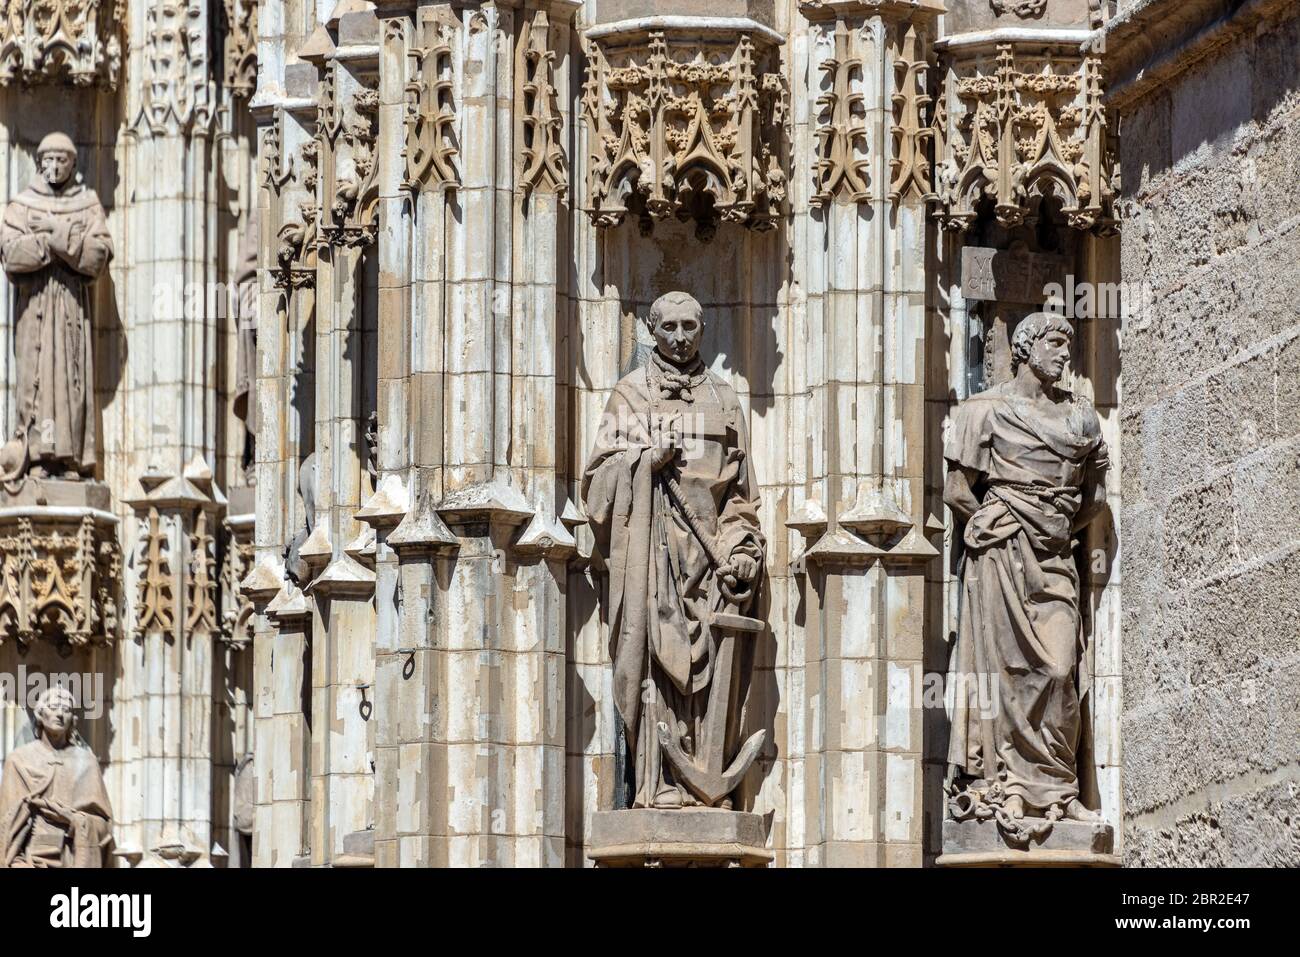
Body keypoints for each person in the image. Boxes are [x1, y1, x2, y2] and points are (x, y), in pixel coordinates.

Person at [582, 291, 764, 809]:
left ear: (703, 329)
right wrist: (642, 461)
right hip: (650, 552)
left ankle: (703, 780)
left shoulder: (724, 399)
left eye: (691, 327)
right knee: (650, 674)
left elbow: (741, 496)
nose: (681, 338)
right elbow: (595, 485)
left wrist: (742, 548)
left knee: (708, 680)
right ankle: (655, 782)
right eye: (670, 328)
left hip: (710, 564)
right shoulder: (631, 396)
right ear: (651, 329)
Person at [944, 311, 1109, 830]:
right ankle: (1007, 785)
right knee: (1006, 672)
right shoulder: (982, 410)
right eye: (1055, 343)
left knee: (1061, 668)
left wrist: (1053, 524)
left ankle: (1058, 786)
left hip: (1055, 556)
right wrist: (997, 517)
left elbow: (1093, 501)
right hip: (1002, 558)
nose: (1065, 354)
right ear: (1025, 347)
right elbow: (956, 490)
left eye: (1069, 345)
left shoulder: (1080, 419)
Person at [0, 131, 114, 481]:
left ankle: (69, 458)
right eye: (47, 159)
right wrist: (56, 241)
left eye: (61, 159)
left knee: (70, 382)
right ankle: (35, 456)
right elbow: (11, 255)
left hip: (70, 312)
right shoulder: (22, 204)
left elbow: (97, 257)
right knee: (35, 380)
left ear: (73, 164)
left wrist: (55, 231)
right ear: (38, 162)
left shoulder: (88, 203)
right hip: (32, 311)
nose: (53, 165)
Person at [0, 686, 114, 867]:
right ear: (39, 714)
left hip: (73, 856)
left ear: (73, 720)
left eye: (67, 710)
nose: (60, 714)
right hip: (30, 857)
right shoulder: (19, 760)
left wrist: (73, 819)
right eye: (53, 707)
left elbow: (104, 828)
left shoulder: (87, 762)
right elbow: (7, 825)